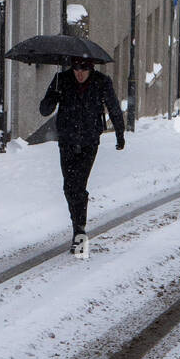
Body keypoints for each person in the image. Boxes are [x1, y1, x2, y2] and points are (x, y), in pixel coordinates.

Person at [39, 59, 125, 255]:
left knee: (79, 185)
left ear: (91, 68)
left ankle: (79, 230)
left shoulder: (101, 81)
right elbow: (44, 109)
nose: (79, 74)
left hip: (89, 140)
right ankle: (77, 224)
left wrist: (120, 132)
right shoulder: (61, 80)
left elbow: (113, 107)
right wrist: (54, 96)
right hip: (67, 140)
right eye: (76, 69)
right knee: (69, 186)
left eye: (84, 69)